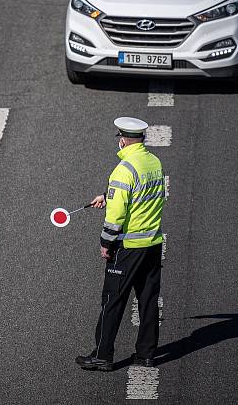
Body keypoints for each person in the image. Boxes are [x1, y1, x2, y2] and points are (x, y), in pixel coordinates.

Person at [76, 117, 166, 371]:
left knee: (112, 299)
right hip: (152, 243)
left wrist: (106, 242)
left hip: (127, 247)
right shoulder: (153, 162)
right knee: (148, 299)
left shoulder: (124, 169)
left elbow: (115, 217)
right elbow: (145, 194)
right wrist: (108, 196)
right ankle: (146, 354)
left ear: (124, 139)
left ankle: (102, 355)